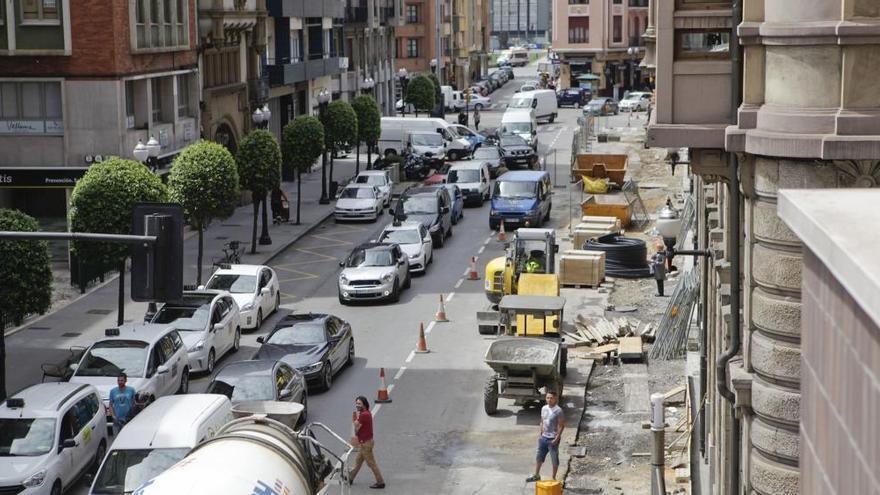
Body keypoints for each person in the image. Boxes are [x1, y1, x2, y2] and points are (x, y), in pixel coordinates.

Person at [526, 390, 565, 482]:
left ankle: (553, 478)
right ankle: (536, 475)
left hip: (552, 440)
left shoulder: (558, 411)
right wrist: (540, 432)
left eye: (551, 398)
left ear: (555, 399)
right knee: (539, 457)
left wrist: (557, 438)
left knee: (554, 459)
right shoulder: (544, 408)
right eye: (547, 398)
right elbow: (542, 421)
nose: (549, 400)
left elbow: (561, 425)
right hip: (543, 438)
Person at [349, 396, 385, 489]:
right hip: (364, 443)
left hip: (366, 444)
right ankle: (350, 478)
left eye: (359, 404)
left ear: (364, 404)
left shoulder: (364, 415)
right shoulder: (365, 413)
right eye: (356, 403)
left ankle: (380, 482)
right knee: (358, 462)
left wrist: (354, 419)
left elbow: (356, 428)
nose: (357, 405)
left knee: (371, 463)